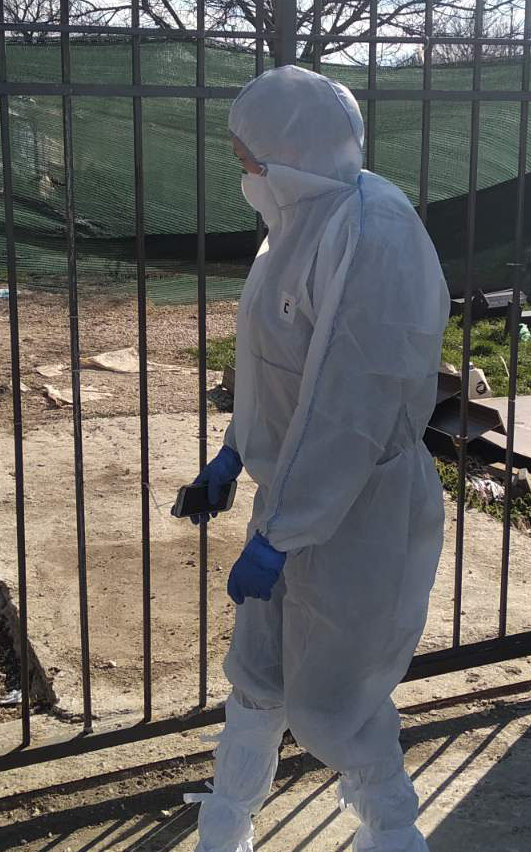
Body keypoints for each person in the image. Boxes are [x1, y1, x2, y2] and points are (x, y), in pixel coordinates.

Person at [182, 65, 450, 852]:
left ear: (291, 151)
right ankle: (224, 829)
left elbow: (350, 407)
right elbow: (277, 367)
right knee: (257, 679)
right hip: (293, 502)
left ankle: (393, 835)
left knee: (339, 705)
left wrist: (282, 532)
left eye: (249, 152)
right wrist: (235, 453)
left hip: (359, 512)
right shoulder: (295, 224)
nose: (242, 167)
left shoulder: (374, 230)